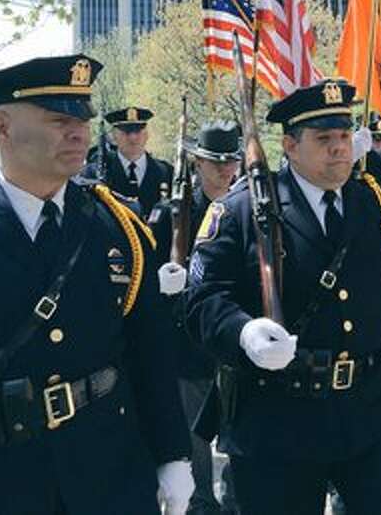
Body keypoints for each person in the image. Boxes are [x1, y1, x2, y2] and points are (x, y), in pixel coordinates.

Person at [0, 55, 193, 515]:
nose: (78, 132)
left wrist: (173, 455)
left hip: (105, 474)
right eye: (59, 119)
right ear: (1, 127)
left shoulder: (119, 228)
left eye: (82, 118)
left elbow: (149, 353)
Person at [186, 79, 381, 515]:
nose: (339, 149)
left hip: (371, 411)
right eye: (324, 139)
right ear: (290, 145)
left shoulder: (378, 206)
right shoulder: (242, 211)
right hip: (279, 414)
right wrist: (243, 331)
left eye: (344, 136)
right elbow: (202, 299)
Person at [149, 121, 243, 515]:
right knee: (195, 436)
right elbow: (141, 283)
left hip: (235, 338)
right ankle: (201, 504)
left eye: (230, 162)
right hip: (187, 343)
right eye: (215, 162)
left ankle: (238, 500)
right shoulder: (168, 215)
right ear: (197, 163)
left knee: (238, 429)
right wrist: (162, 284)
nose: (225, 170)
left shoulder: (247, 210)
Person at [83, 106, 174, 216]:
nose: (133, 138)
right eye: (126, 132)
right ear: (114, 136)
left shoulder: (166, 172)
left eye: (138, 131)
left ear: (147, 135)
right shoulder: (94, 174)